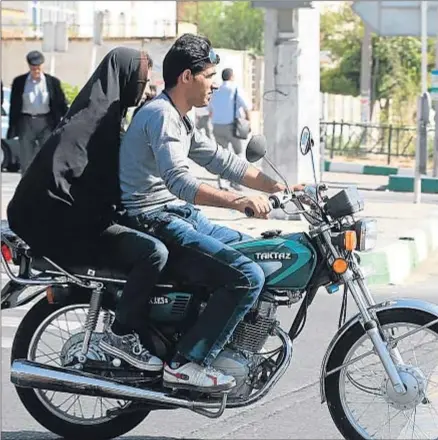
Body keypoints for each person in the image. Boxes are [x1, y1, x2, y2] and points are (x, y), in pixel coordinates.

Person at [117, 33, 304, 392]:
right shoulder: (161, 116)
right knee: (246, 275)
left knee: (255, 252)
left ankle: (223, 339)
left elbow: (224, 161)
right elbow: (180, 182)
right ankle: (186, 362)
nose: (216, 85)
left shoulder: (180, 117)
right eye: (209, 76)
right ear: (186, 77)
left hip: (177, 215)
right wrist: (238, 201)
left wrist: (280, 188)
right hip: (155, 220)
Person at [7, 47, 168, 372]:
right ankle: (122, 335)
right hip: (72, 231)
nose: (145, 87)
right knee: (153, 253)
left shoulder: (99, 117)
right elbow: (95, 189)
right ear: (125, 80)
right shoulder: (94, 128)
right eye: (142, 80)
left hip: (78, 222)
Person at [7, 50, 69, 174]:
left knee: (48, 157)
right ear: (29, 66)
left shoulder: (52, 82)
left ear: (42, 66)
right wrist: (13, 126)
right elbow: (14, 106)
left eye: (38, 67)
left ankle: (44, 189)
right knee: (26, 160)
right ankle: (26, 190)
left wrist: (67, 120)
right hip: (26, 123)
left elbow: (61, 103)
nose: (36, 71)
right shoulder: (19, 82)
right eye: (33, 68)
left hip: (47, 122)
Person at [209, 67, 251, 191]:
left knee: (222, 155)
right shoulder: (236, 89)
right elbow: (247, 106)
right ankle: (235, 181)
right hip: (232, 127)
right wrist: (249, 123)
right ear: (232, 76)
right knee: (239, 153)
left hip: (217, 126)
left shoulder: (215, 90)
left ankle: (222, 182)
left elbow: (210, 108)